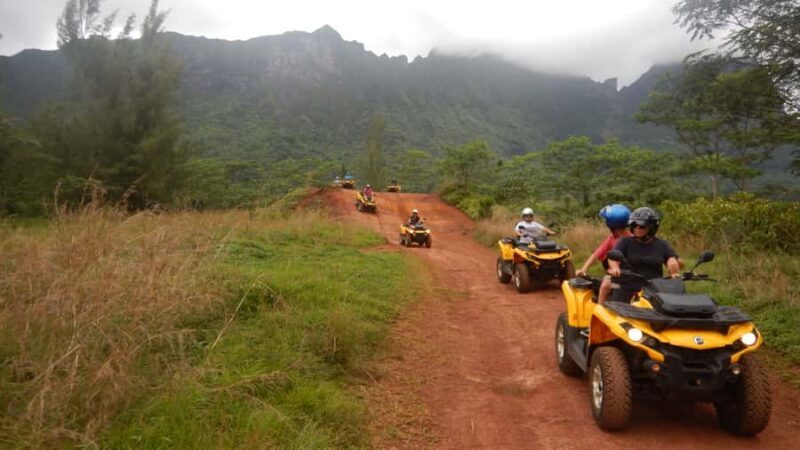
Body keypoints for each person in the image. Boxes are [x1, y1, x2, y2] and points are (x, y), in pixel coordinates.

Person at [607, 206, 682, 302]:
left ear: (652, 228)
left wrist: (673, 264)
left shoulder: (661, 244)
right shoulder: (625, 242)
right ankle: (601, 308)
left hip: (653, 288)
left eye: (641, 226)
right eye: (634, 225)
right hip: (626, 285)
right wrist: (615, 268)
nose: (637, 228)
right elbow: (613, 258)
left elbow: (673, 259)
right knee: (609, 288)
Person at [575, 204, 632, 304]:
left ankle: (600, 308)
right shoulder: (630, 238)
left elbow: (596, 255)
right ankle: (602, 306)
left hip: (624, 282)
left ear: (611, 224)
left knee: (605, 285)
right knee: (606, 282)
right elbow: (597, 254)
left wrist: (584, 269)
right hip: (622, 278)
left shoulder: (621, 239)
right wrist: (584, 269)